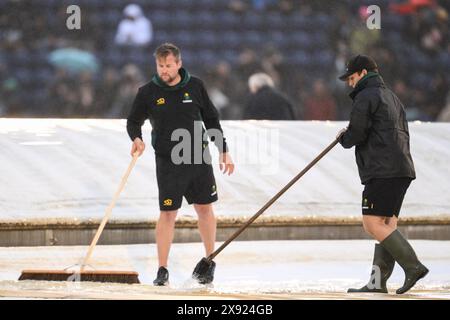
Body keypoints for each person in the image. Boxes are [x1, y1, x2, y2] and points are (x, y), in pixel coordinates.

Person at [126, 43, 235, 286]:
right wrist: (137, 138)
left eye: (168, 65)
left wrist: (223, 150)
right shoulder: (147, 92)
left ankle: (209, 261)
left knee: (204, 209)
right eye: (160, 66)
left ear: (179, 64)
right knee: (167, 213)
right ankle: (162, 269)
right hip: (168, 161)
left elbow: (211, 119)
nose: (164, 70)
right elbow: (133, 121)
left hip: (197, 157)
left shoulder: (195, 86)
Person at [336, 54, 428, 294]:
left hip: (382, 170)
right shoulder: (393, 97)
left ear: (364, 74)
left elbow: (357, 133)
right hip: (401, 169)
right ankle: (377, 283)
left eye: (352, 77)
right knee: (386, 224)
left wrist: (343, 138)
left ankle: (413, 267)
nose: (349, 83)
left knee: (372, 223)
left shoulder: (365, 96)